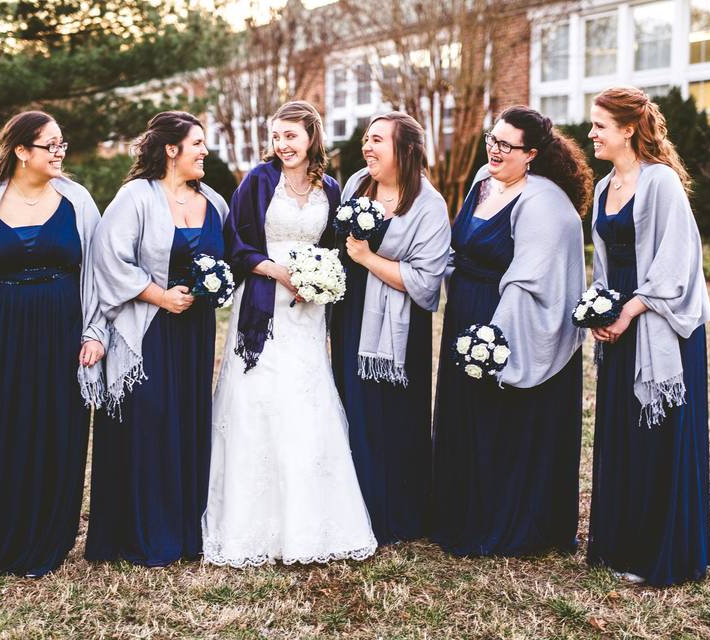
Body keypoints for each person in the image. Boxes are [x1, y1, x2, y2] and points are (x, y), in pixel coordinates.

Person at [203, 100, 377, 567]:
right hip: (263, 299)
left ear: (311, 137)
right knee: (259, 397)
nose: (283, 146)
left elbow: (333, 247)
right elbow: (236, 243)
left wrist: (319, 280)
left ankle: (311, 523)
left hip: (307, 309)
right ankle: (251, 526)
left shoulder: (332, 188)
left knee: (307, 398)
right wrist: (278, 272)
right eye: (277, 137)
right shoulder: (259, 182)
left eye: (291, 136)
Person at [0, 110, 106, 577]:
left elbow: (96, 272)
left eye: (62, 144)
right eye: (50, 145)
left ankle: (48, 541)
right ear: (21, 150)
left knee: (59, 430)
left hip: (63, 328)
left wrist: (94, 331)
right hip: (3, 331)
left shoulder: (77, 200)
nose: (60, 153)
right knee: (3, 431)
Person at [431, 106, 591, 556]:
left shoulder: (543, 201)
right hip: (465, 313)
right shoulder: (483, 181)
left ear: (532, 154)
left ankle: (506, 523)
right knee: (467, 416)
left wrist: (495, 341)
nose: (495, 150)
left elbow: (532, 280)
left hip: (506, 320)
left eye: (507, 145)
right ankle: (461, 513)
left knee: (500, 421)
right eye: (492, 139)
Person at [86, 111, 229, 566]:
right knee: (150, 422)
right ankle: (144, 532)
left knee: (188, 420)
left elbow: (227, 259)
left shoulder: (216, 202)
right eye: (197, 143)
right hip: (146, 329)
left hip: (195, 330)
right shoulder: (135, 197)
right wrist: (159, 296)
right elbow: (109, 260)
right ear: (172, 149)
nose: (205, 151)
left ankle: (188, 532)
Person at [585, 86, 710, 586]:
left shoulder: (660, 182)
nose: (591, 133)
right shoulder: (602, 187)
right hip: (619, 321)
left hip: (661, 325)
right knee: (622, 431)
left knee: (657, 435)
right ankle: (624, 545)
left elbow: (676, 262)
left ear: (628, 129)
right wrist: (598, 308)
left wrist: (631, 310)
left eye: (599, 125)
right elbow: (604, 259)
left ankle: (663, 552)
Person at [330, 112, 451, 545]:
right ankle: (352, 508)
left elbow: (425, 281)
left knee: (395, 419)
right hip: (352, 314)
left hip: (400, 330)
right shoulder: (357, 184)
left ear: (405, 150)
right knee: (354, 410)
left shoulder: (429, 205)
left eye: (377, 139)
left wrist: (366, 259)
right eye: (366, 138)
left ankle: (395, 515)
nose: (367, 146)